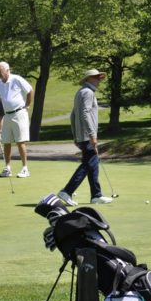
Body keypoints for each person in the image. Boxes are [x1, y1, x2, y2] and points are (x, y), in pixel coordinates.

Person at [57, 68, 113, 206]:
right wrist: (92, 135)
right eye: (96, 77)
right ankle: (67, 191)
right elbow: (84, 114)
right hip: (87, 136)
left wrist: (76, 135)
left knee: (93, 165)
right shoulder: (88, 93)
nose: (99, 80)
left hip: (82, 135)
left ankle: (96, 195)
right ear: (88, 79)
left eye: (99, 77)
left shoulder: (81, 92)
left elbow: (73, 115)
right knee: (89, 164)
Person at [0, 61, 33, 178]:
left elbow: (30, 90)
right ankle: (7, 168)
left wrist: (27, 105)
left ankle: (25, 168)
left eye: (0, 71)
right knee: (6, 141)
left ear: (7, 70)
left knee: (20, 141)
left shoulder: (16, 79)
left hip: (18, 113)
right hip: (6, 115)